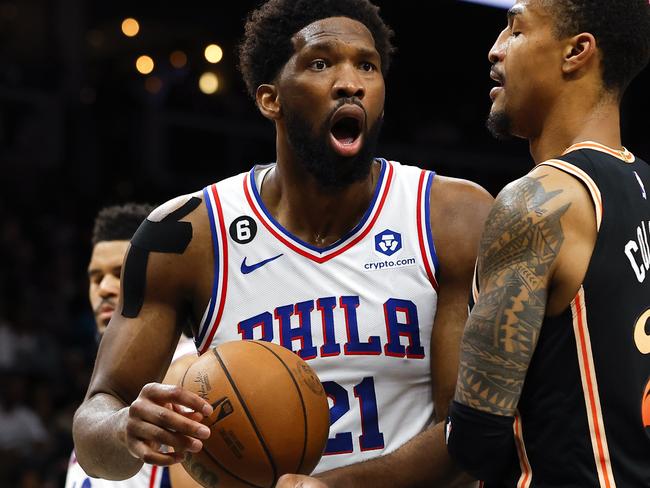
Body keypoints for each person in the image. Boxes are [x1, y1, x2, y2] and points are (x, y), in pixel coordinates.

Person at [72, 1, 493, 486]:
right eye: (321, 63)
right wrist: (125, 429)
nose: (350, 82)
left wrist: (337, 487)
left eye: (367, 65)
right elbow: (93, 429)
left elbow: (466, 435)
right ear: (269, 99)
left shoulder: (451, 217)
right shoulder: (187, 236)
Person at [446, 1, 650, 486]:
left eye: (515, 31)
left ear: (576, 51)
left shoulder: (537, 203)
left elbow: (474, 438)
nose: (495, 49)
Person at [65, 204, 200, 488]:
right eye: (96, 277)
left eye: (120, 272)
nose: (105, 288)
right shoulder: (109, 381)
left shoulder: (188, 369)